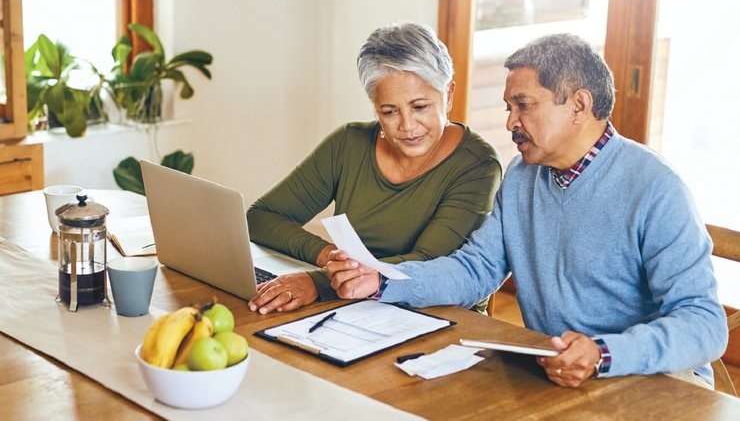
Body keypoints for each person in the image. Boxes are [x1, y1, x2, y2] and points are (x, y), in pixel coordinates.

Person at [326, 33, 728, 389]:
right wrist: (381, 280)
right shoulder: (522, 176)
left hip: (655, 383)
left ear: (579, 105)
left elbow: (705, 326)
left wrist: (603, 354)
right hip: (558, 375)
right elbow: (476, 269)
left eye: (523, 105)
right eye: (508, 107)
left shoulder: (655, 187)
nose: (510, 123)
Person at [246, 22, 502, 315]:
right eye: (389, 111)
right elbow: (261, 217)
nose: (407, 126)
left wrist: (318, 283)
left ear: (448, 95)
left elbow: (429, 263)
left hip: (436, 316)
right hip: (353, 309)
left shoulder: (477, 164)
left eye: (420, 107)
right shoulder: (348, 143)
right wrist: (330, 257)